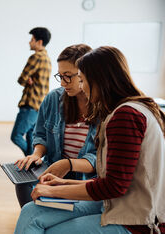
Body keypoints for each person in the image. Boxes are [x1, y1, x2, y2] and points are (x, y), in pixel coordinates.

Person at [15, 46, 165, 233]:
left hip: (137, 220)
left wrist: (53, 190)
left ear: (99, 80)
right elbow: (112, 182)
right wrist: (63, 183)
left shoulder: (125, 116)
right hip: (117, 203)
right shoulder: (128, 109)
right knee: (30, 211)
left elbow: (113, 186)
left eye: (83, 80)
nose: (83, 88)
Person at [13, 44, 97, 208]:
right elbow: (41, 135)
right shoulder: (53, 99)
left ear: (85, 74)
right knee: (22, 181)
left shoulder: (102, 107)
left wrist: (69, 164)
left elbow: (99, 159)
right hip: (53, 171)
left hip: (84, 180)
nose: (63, 83)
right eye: (60, 75)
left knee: (38, 217)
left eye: (68, 76)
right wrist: (36, 154)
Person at [11, 27, 52, 157]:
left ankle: (31, 160)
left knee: (16, 136)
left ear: (39, 42)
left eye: (32, 39)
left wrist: (27, 79)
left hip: (30, 104)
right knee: (31, 138)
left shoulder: (36, 57)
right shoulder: (47, 58)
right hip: (39, 106)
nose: (30, 42)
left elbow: (21, 79)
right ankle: (31, 166)